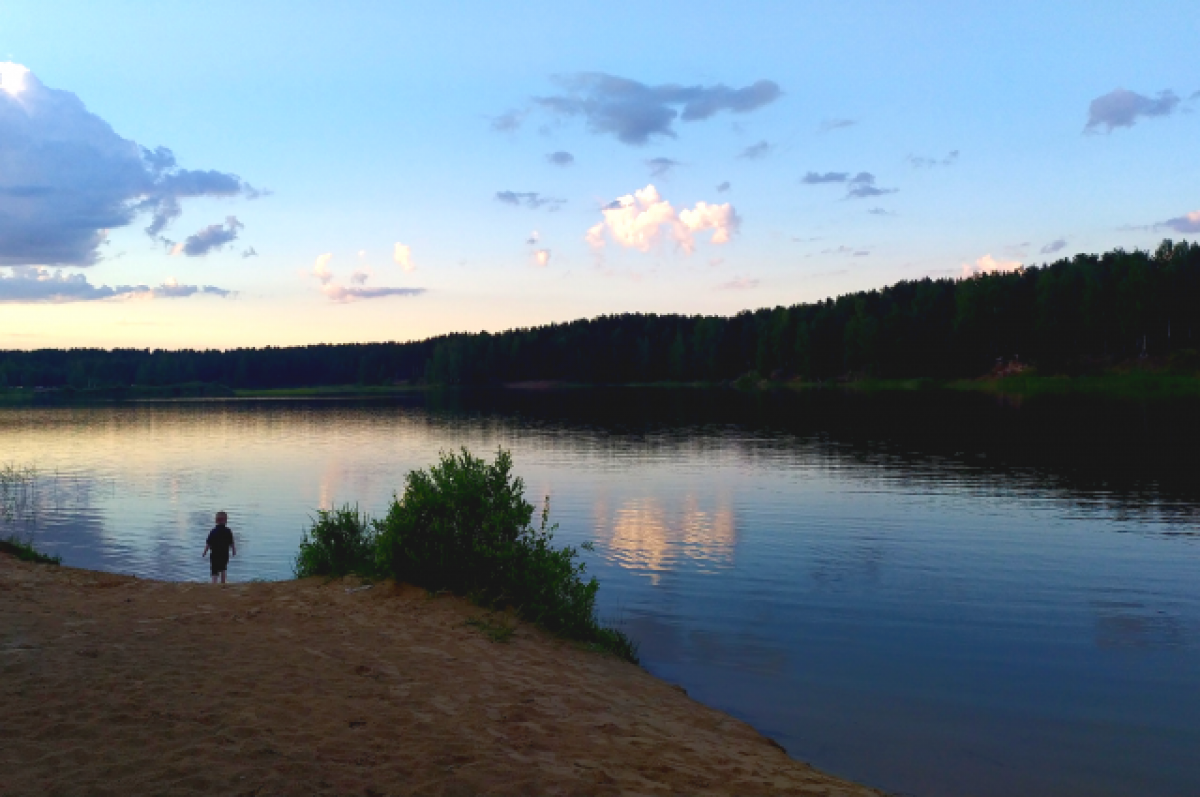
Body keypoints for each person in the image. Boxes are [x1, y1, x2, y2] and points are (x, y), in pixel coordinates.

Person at [202, 511, 236, 584]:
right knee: (223, 569)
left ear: (216, 521)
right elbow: (232, 542)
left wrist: (204, 552)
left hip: (215, 555)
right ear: (226, 521)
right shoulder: (228, 531)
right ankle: (223, 583)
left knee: (214, 571)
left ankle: (214, 584)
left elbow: (208, 543)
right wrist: (234, 550)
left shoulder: (213, 531)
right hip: (224, 554)